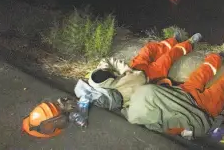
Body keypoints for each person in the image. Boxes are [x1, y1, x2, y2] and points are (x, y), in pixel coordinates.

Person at [123, 34, 224, 140]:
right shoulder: (155, 124)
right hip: (202, 109)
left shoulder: (138, 105)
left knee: (204, 71)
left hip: (183, 93)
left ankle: (222, 53)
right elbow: (195, 130)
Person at [74, 31, 203, 110]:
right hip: (150, 76)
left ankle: (173, 40)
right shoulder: (120, 101)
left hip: (135, 68)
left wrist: (126, 69)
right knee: (169, 57)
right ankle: (189, 43)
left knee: (148, 49)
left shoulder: (98, 79)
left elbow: (107, 61)